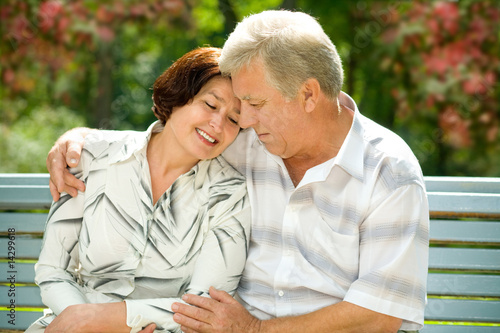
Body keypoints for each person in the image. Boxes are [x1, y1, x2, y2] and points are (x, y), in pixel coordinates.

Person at [46, 10, 429, 333]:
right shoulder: (248, 139)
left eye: (254, 102)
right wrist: (77, 140)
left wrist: (253, 330)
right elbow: (174, 134)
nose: (242, 119)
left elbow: (380, 315)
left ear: (309, 95)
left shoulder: (388, 172)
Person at [28, 47, 251, 333]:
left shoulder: (231, 194)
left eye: (234, 119)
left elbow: (205, 307)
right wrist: (80, 320)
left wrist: (109, 320)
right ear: (180, 95)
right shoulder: (92, 156)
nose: (218, 124)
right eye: (210, 104)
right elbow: (53, 270)